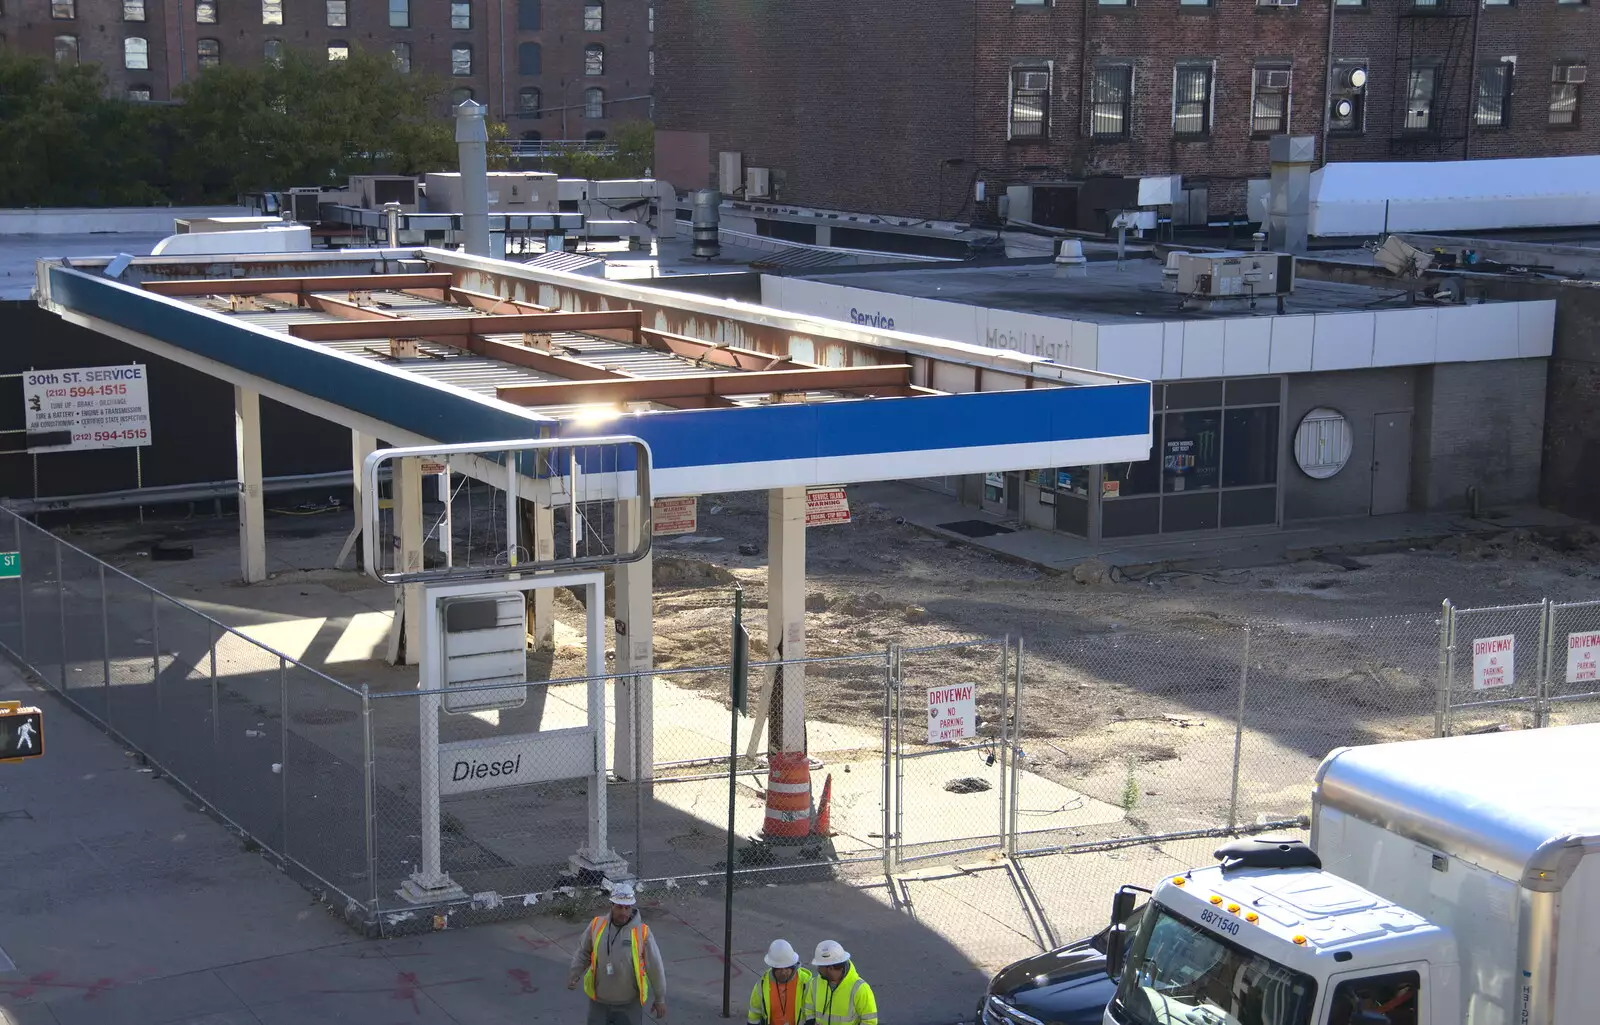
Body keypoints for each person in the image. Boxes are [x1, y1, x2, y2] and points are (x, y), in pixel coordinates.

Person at [566, 880, 668, 1024]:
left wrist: (660, 999)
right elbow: (584, 952)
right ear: (612, 906)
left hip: (629, 1004)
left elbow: (655, 967)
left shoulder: (642, 932)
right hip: (599, 1003)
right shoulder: (596, 925)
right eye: (619, 907)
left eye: (627, 908)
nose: (624, 912)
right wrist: (574, 974)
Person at [807, 940, 877, 1025]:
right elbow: (808, 1009)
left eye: (820, 966)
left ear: (830, 968)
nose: (818, 969)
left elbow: (870, 1021)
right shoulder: (814, 984)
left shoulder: (860, 988)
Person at [747, 939, 814, 1025]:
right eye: (779, 969)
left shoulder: (806, 983)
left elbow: (813, 1013)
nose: (783, 972)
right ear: (773, 967)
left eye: (786, 968)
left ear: (793, 966)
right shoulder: (763, 984)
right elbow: (754, 1013)